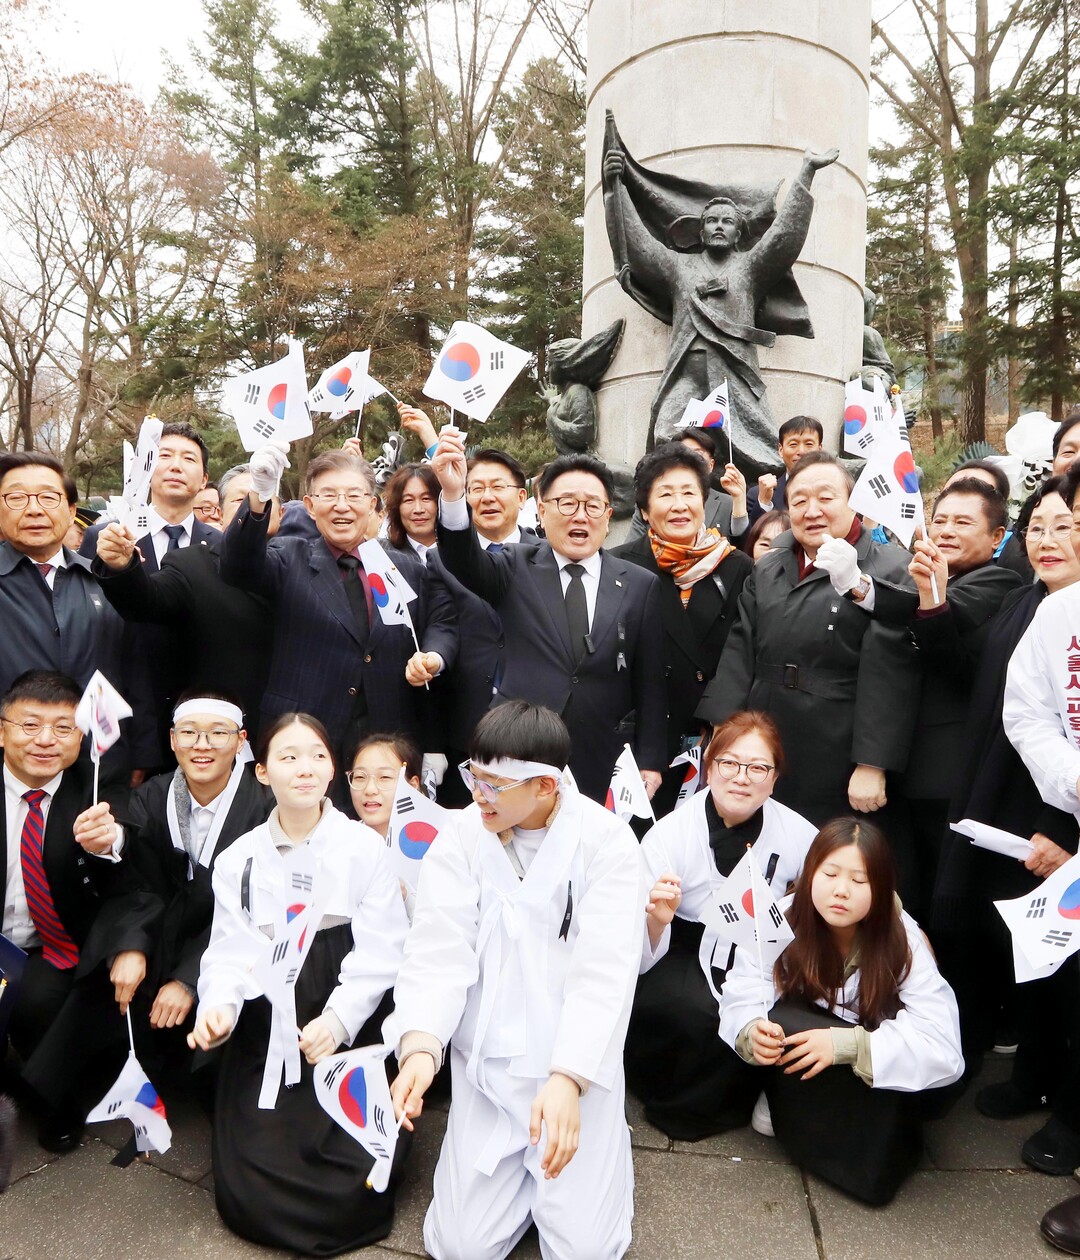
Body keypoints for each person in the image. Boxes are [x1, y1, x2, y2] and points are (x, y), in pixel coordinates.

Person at [386, 702, 644, 1260]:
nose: (478, 794)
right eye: (473, 776)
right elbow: (438, 946)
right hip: (490, 1067)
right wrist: (421, 1048)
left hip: (573, 1068)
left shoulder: (607, 843)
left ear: (546, 785)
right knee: (458, 1247)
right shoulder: (460, 835)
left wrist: (569, 1077)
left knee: (586, 1251)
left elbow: (605, 970)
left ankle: (602, 1148)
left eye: (494, 785)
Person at [187, 712, 409, 1254]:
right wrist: (219, 1009)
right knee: (250, 1178)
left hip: (345, 1019)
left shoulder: (364, 848)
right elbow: (230, 952)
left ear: (332, 769)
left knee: (358, 1177)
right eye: (288, 757)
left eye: (317, 756)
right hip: (267, 1026)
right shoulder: (238, 859)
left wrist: (338, 1021)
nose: (304, 768)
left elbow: (382, 948)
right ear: (262, 771)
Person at [720, 817, 964, 1205]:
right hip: (802, 1034)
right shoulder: (783, 915)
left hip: (869, 1053)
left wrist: (849, 1045)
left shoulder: (903, 938)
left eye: (859, 880)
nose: (841, 891)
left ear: (882, 886)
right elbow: (747, 982)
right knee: (777, 1019)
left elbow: (943, 1044)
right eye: (830, 873)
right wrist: (751, 1029)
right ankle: (779, 1095)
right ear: (810, 874)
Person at [937, 476, 1080, 1107]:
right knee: (1016, 945)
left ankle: (1064, 1103)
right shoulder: (1027, 603)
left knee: (1062, 964)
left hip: (1055, 814)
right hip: (997, 797)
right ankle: (1031, 1078)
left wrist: (1062, 825)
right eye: (1036, 528)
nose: (1048, 541)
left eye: (1064, 527)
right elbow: (990, 696)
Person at [431, 435, 666, 805]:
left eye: (592, 506)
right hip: (519, 748)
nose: (580, 515)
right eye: (567, 503)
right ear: (541, 510)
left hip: (603, 754)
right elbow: (463, 560)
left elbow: (650, 681)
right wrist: (452, 494)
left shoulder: (639, 584)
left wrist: (650, 760)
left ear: (608, 516)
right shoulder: (513, 565)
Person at [697, 451, 920, 824]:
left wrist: (873, 762)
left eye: (825, 498)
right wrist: (723, 725)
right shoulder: (770, 565)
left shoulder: (889, 567)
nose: (811, 510)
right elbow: (740, 646)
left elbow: (892, 672)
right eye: (799, 501)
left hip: (840, 741)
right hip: (766, 732)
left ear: (853, 502)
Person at [626, 712, 816, 1139]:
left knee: (775, 1015)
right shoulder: (668, 834)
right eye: (729, 763)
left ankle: (764, 1096)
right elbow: (634, 939)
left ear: (774, 779)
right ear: (709, 769)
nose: (741, 778)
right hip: (683, 941)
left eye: (758, 768)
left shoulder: (799, 833)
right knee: (690, 1009)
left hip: (763, 945)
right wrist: (656, 918)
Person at [0, 670, 158, 1151]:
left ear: (81, 736)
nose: (46, 740)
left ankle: (56, 1102)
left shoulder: (94, 786)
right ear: (2, 731)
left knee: (44, 1002)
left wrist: (110, 841)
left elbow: (129, 850)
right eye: (30, 725)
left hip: (51, 944)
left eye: (63, 727)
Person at [220, 444, 458, 763]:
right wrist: (259, 496)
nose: (341, 506)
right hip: (303, 739)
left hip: (388, 742)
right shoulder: (289, 558)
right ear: (309, 505)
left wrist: (432, 657)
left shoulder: (406, 568)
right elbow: (238, 565)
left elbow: (440, 625)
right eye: (329, 495)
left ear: (372, 505)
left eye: (354, 495)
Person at [602, 140, 838, 461]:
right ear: (700, 231)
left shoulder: (750, 266)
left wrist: (806, 174)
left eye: (727, 222)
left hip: (733, 370)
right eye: (711, 221)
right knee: (666, 436)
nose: (718, 226)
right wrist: (614, 189)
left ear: (738, 233)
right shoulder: (678, 265)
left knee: (760, 450)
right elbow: (639, 243)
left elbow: (783, 238)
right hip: (686, 370)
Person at [876, 479, 1023, 919]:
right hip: (900, 766)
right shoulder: (912, 577)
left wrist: (927, 596)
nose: (946, 531)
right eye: (939, 520)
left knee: (948, 898)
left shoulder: (1000, 582)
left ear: (997, 537)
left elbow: (953, 663)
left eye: (962, 522)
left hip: (949, 775)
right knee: (905, 892)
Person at [121, 691, 272, 1071]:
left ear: (241, 741)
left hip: (234, 955)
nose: (202, 745)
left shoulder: (266, 806)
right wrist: (131, 945)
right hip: (159, 947)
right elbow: (136, 886)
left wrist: (190, 978)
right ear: (173, 740)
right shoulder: (150, 797)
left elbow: (259, 909)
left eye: (218, 733)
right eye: (189, 732)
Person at [613, 444, 752, 815]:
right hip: (641, 742)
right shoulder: (620, 567)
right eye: (665, 494)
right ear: (645, 509)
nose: (679, 505)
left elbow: (744, 651)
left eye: (689, 493)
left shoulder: (737, 566)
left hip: (712, 738)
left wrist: (718, 719)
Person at [90, 464, 279, 736]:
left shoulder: (305, 565)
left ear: (281, 511)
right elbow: (145, 602)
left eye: (265, 495)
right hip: (214, 733)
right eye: (243, 499)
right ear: (220, 511)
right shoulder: (192, 563)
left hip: (290, 734)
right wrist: (122, 567)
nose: (256, 505)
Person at [81, 423, 219, 778]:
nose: (175, 466)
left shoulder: (219, 544)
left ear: (204, 480)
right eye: (164, 456)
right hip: (127, 710)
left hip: (200, 715)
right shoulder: (108, 537)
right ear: (144, 469)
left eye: (188, 459)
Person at [0, 453, 124, 705]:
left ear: (71, 512)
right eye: (17, 498)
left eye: (48, 497)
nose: (34, 510)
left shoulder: (103, 581)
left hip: (96, 731)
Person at [627, 429, 749, 542]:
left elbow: (742, 545)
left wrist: (739, 499)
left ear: (711, 465)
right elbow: (631, 549)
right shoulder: (649, 503)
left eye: (698, 455)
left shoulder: (727, 503)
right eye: (684, 454)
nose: (680, 507)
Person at [745, 416, 824, 526]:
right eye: (793, 444)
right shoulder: (757, 494)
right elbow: (753, 535)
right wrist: (764, 503)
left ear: (820, 449)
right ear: (781, 450)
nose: (801, 451)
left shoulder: (837, 490)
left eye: (809, 444)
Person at [384, 463, 440, 563]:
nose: (418, 509)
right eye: (408, 500)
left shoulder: (459, 551)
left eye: (426, 498)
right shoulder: (384, 556)